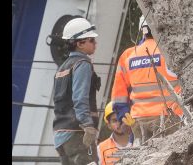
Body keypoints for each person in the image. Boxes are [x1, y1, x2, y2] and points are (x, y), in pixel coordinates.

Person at [110, 18, 183, 144]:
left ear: (143, 30)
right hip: (171, 118)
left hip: (138, 120)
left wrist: (123, 117)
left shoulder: (128, 55)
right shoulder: (171, 51)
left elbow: (118, 95)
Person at [52, 17, 101, 165]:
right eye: (91, 40)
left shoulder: (62, 68)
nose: (95, 43)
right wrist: (87, 125)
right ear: (79, 43)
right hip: (77, 133)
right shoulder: (82, 63)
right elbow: (80, 98)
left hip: (61, 135)